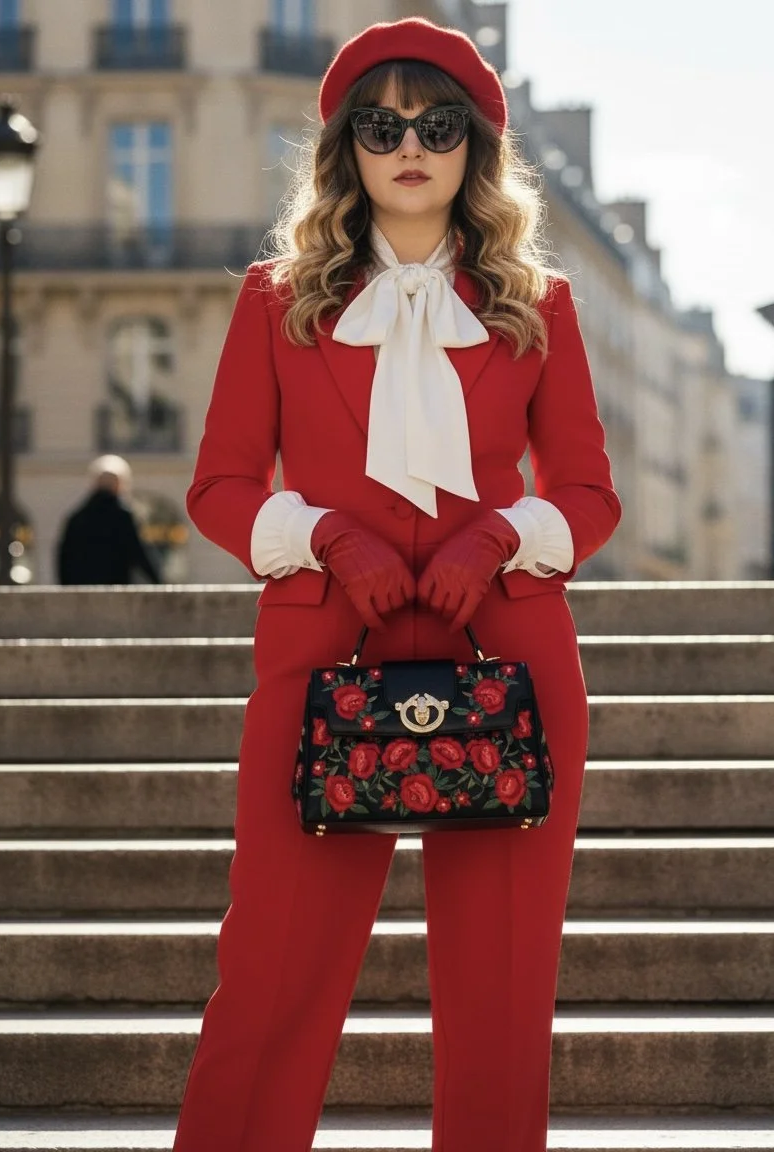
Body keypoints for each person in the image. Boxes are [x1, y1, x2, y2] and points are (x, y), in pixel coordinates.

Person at [175, 17, 621, 1152]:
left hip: (508, 659)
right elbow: (221, 486)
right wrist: (324, 536)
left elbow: (587, 492)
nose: (409, 145)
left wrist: (496, 540)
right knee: (269, 971)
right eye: (382, 125)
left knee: (503, 994)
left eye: (437, 125)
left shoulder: (539, 302)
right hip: (320, 650)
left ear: (473, 147)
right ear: (347, 149)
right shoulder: (276, 300)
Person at [55, 454, 161, 585]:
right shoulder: (123, 517)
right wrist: (159, 582)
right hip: (116, 590)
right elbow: (139, 554)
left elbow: (64, 559)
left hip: (82, 593)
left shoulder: (77, 517)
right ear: (120, 485)